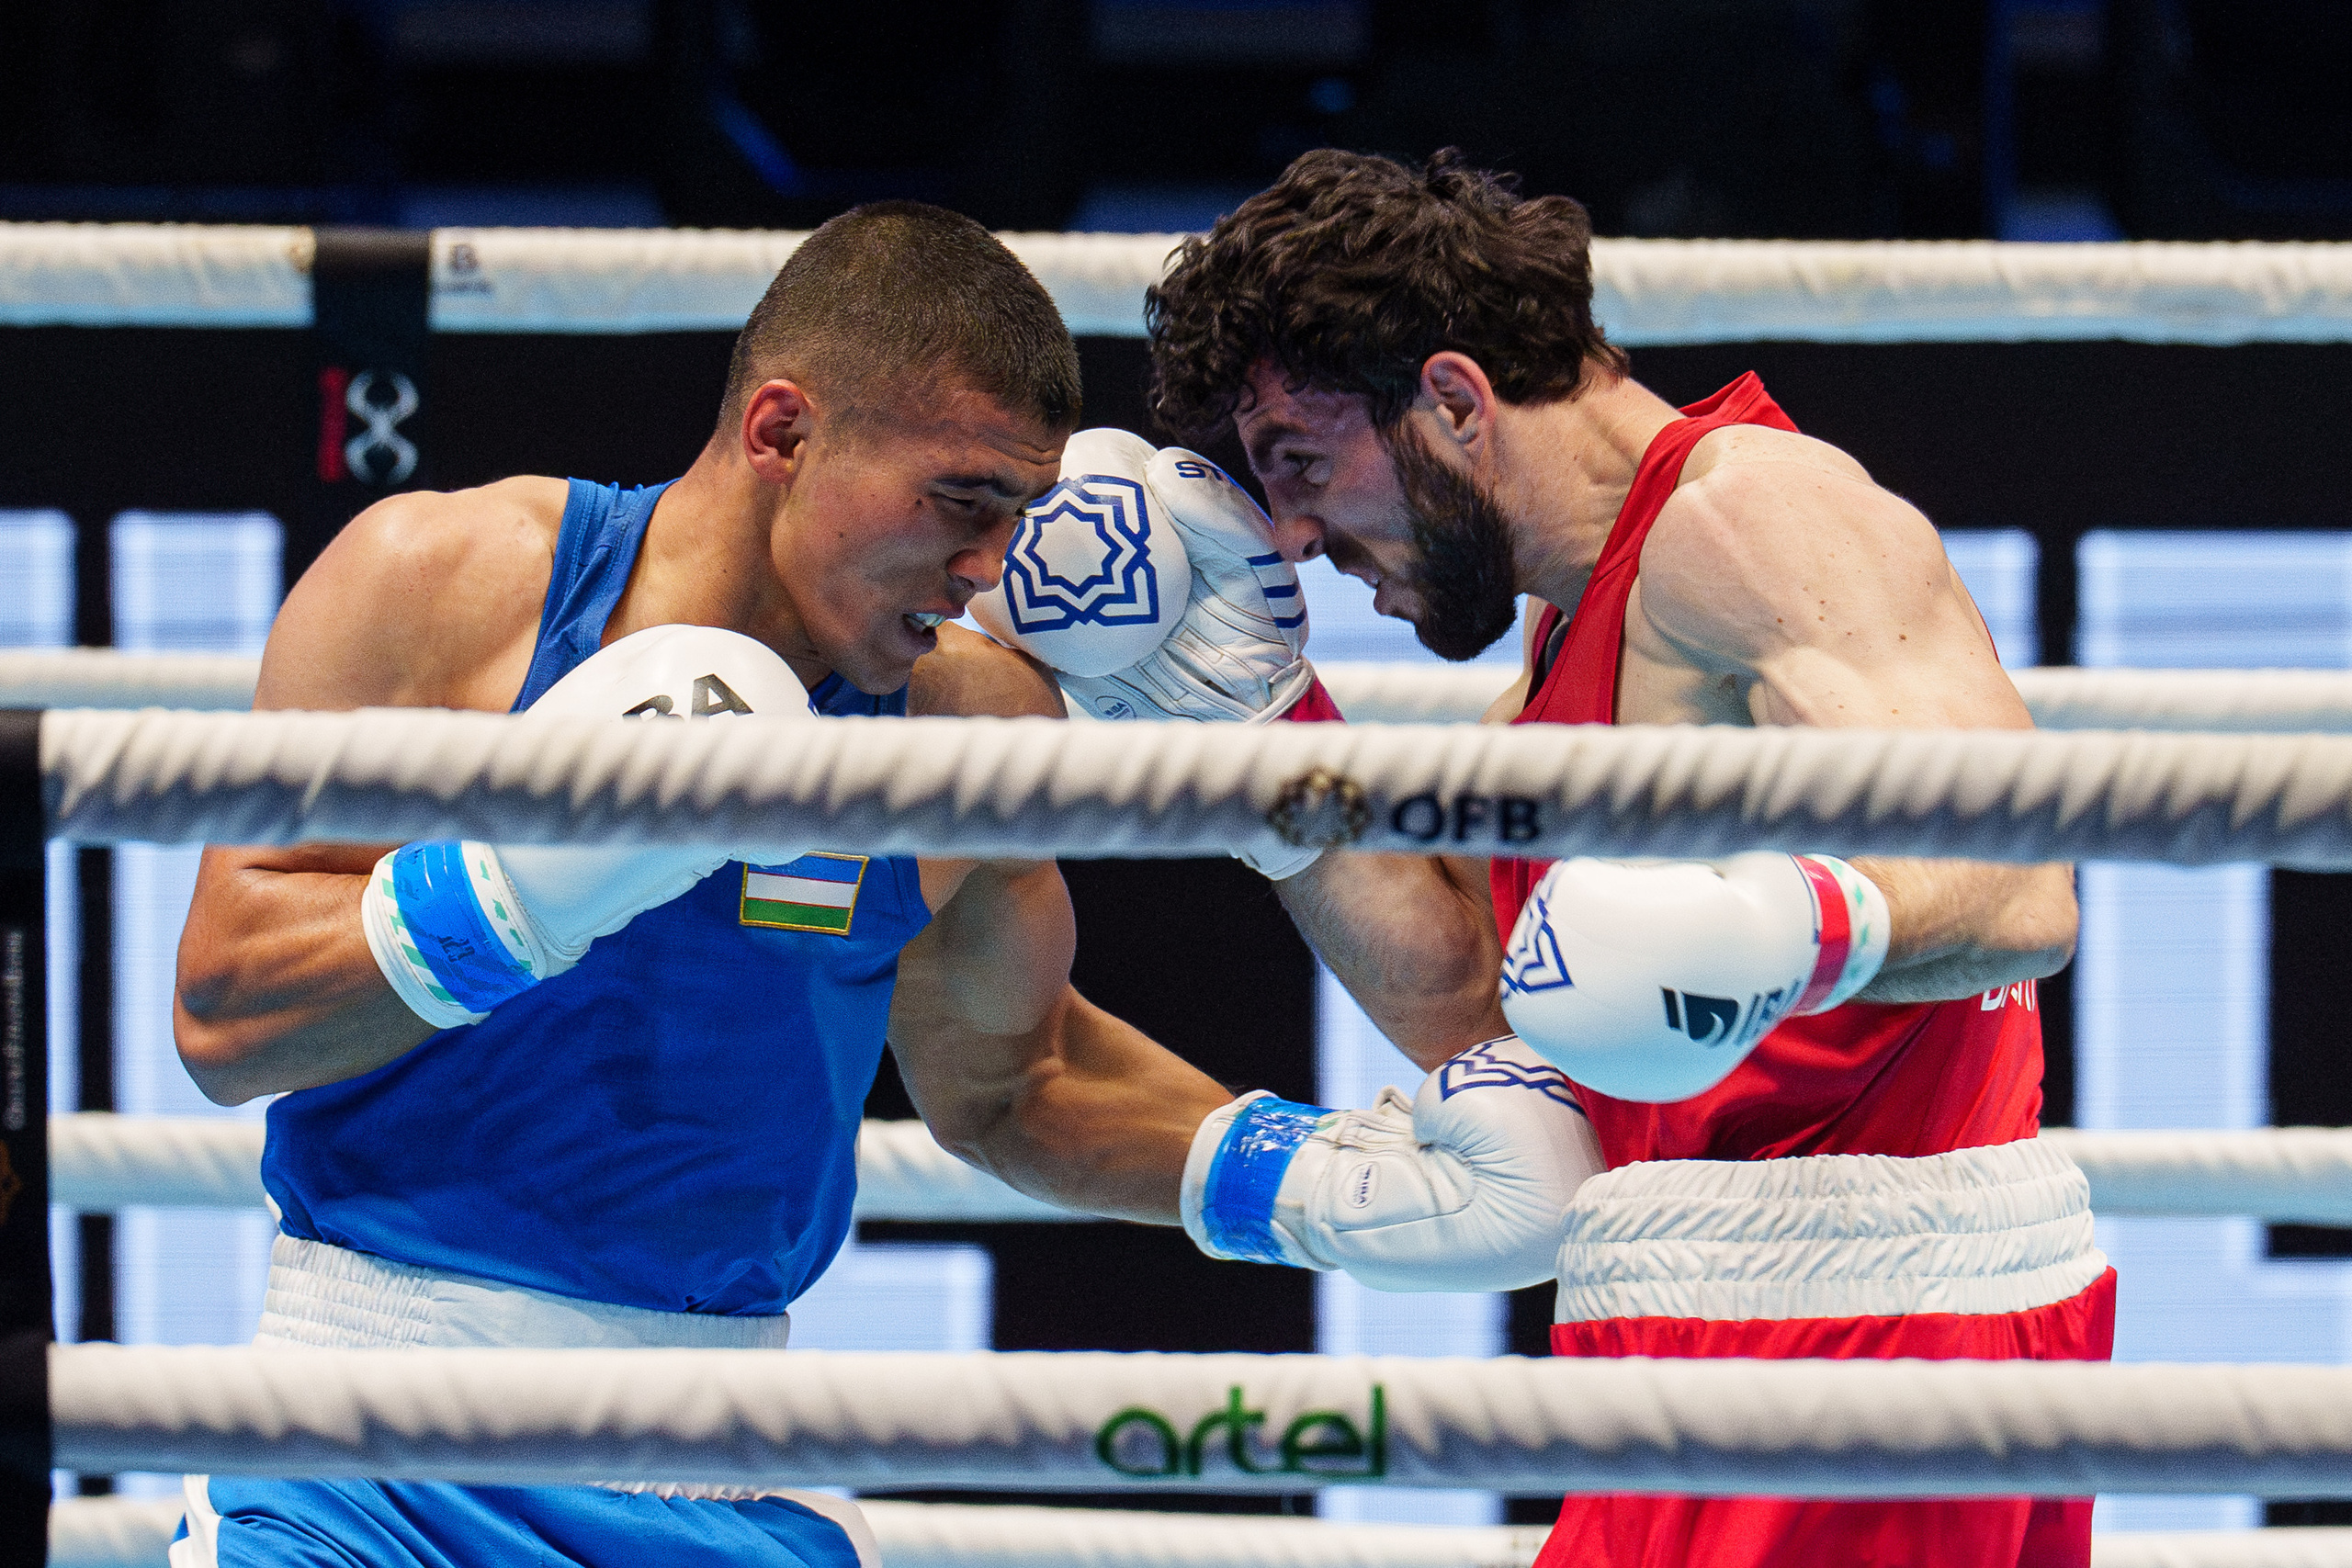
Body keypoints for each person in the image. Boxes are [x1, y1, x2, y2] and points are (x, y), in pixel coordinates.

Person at [168, 200, 1599, 1568]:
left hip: (714, 1474)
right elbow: (226, 1019)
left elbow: (1017, 1081)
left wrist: (1321, 1183)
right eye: (959, 501)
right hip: (366, 1447)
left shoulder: (966, 727)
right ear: (783, 432)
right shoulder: (453, 588)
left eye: (1018, 513)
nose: (986, 568)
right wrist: (517, 892)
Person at [1009, 150, 2101, 1567]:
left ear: (1455, 401)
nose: (1295, 537)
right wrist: (1260, 737)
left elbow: (2021, 884)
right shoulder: (1570, 634)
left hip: (1872, 1342)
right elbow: (1477, 998)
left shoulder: (1751, 519)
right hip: (1702, 1323)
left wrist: (1784, 927)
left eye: (1302, 464)